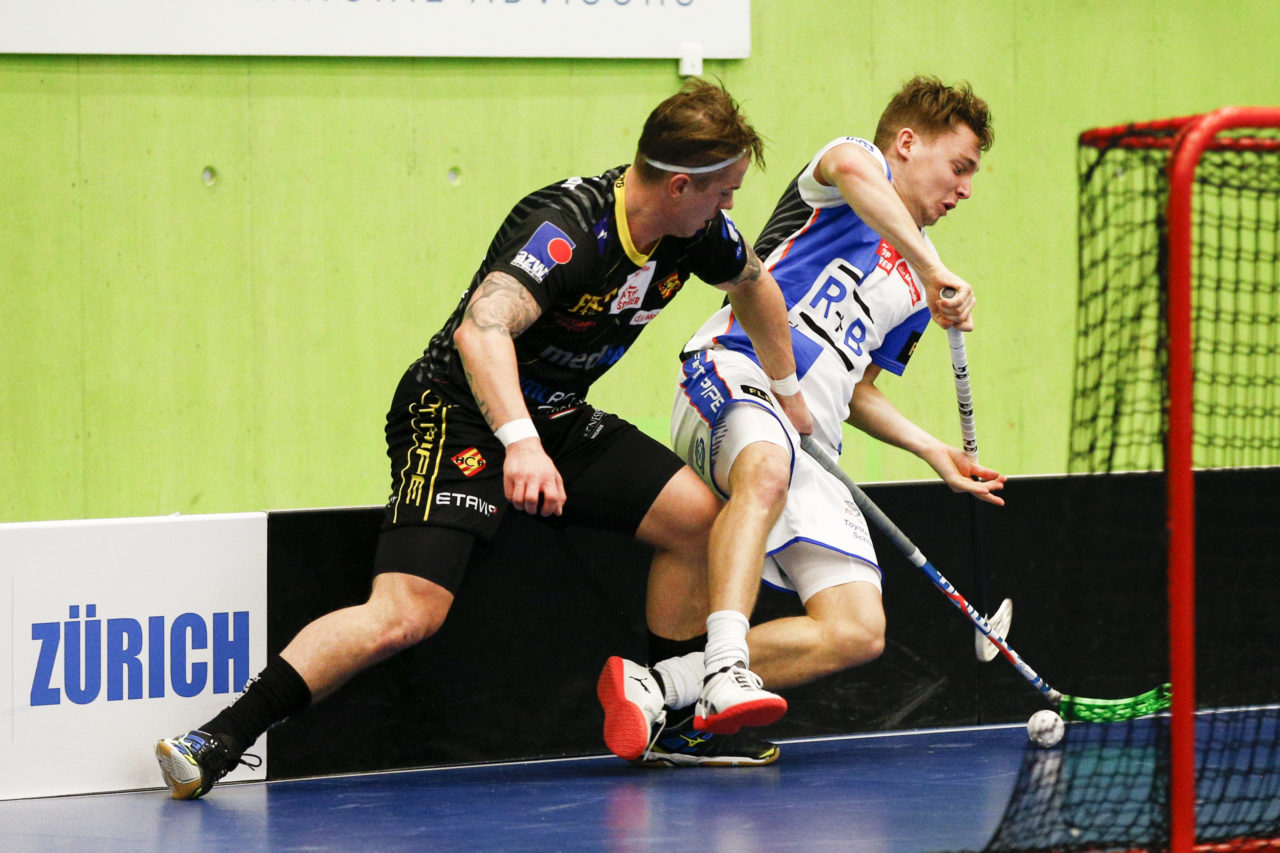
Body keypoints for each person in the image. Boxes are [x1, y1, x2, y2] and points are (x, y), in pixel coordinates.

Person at [154, 78, 816, 799]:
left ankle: (673, 724)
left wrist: (788, 392)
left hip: (556, 414)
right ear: (680, 185)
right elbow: (483, 328)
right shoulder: (567, 228)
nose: (730, 207)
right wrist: (520, 442)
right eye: (725, 192)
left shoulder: (699, 235)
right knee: (406, 614)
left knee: (697, 521)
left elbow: (755, 286)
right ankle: (217, 738)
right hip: (457, 409)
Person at [598, 76, 1006, 765]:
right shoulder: (851, 169)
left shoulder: (917, 290)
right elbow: (852, 170)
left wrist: (933, 450)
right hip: (734, 372)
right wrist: (932, 262)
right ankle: (725, 668)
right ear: (907, 143)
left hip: (810, 441)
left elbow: (857, 390)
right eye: (959, 166)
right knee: (765, 468)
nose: (964, 189)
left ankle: (661, 686)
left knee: (857, 630)